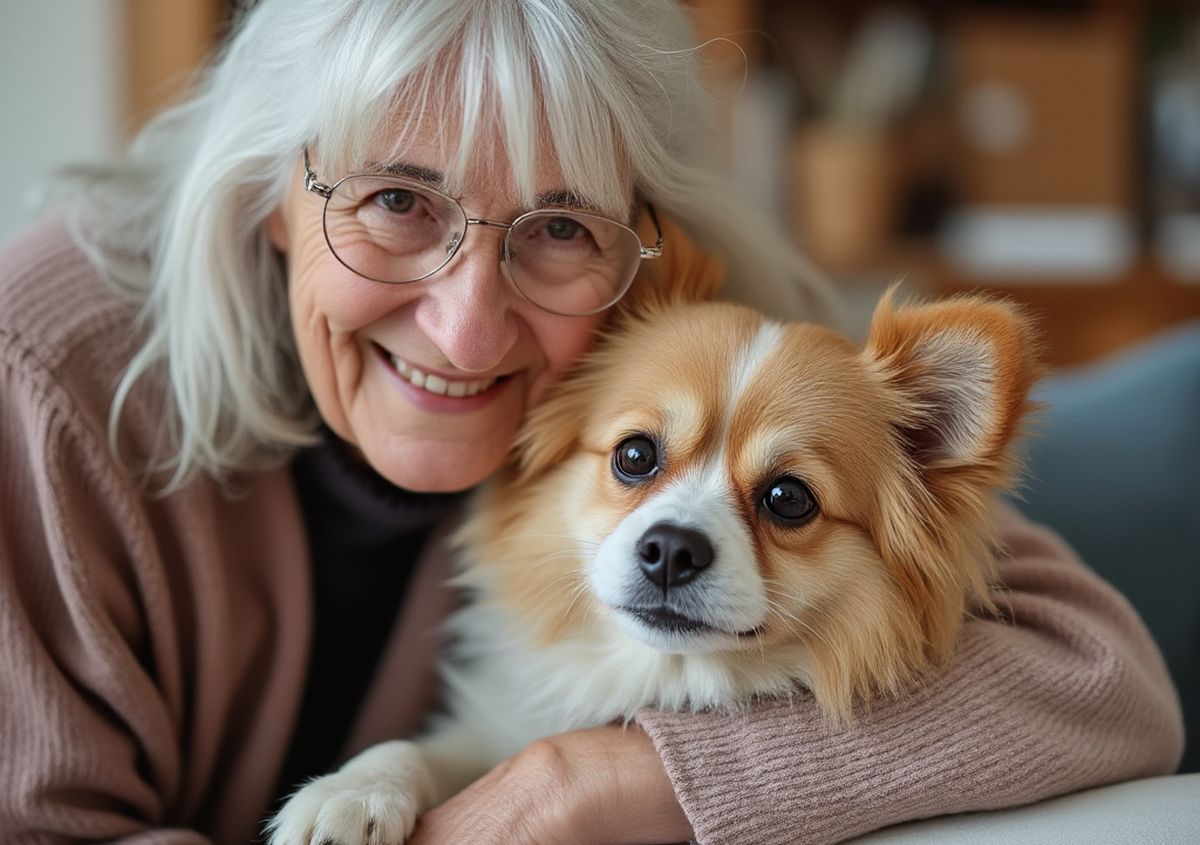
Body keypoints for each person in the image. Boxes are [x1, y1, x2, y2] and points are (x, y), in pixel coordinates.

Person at [0, 1, 1182, 843]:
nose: (469, 328)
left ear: (642, 234)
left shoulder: (693, 329)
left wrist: (591, 783)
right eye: (396, 199)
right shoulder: (45, 376)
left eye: (559, 224)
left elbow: (1099, 677)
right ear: (271, 186)